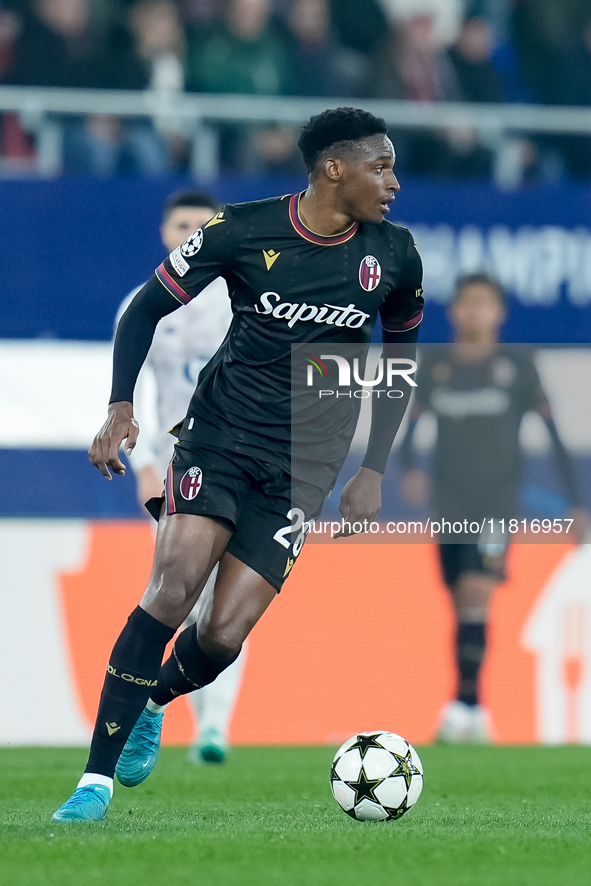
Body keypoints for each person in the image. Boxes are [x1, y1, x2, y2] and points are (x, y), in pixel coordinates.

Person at [52, 106, 424, 822]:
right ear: (333, 169)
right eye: (380, 166)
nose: (393, 181)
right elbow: (143, 312)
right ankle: (92, 784)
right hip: (219, 436)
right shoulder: (241, 229)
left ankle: (152, 700)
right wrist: (119, 407)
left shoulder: (395, 255)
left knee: (223, 634)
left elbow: (401, 361)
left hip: (304, 468)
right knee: (173, 587)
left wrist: (372, 468)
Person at [399, 273, 588, 743]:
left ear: (500, 312)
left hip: (497, 504)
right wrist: (407, 468)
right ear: (455, 310)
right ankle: (468, 704)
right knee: (460, 601)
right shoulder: (437, 366)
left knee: (475, 592)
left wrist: (576, 502)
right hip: (449, 502)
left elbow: (555, 436)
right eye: (468, 303)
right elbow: (409, 429)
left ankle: (468, 706)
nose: (476, 312)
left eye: (485, 304)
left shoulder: (518, 366)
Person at [116, 189, 244, 765]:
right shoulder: (142, 305)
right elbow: (135, 391)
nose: (191, 231)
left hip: (241, 460)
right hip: (176, 466)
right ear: (166, 232)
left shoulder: (243, 300)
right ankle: (167, 711)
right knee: (180, 598)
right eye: (181, 223)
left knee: (229, 605)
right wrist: (144, 466)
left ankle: (214, 727)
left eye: (202, 223)